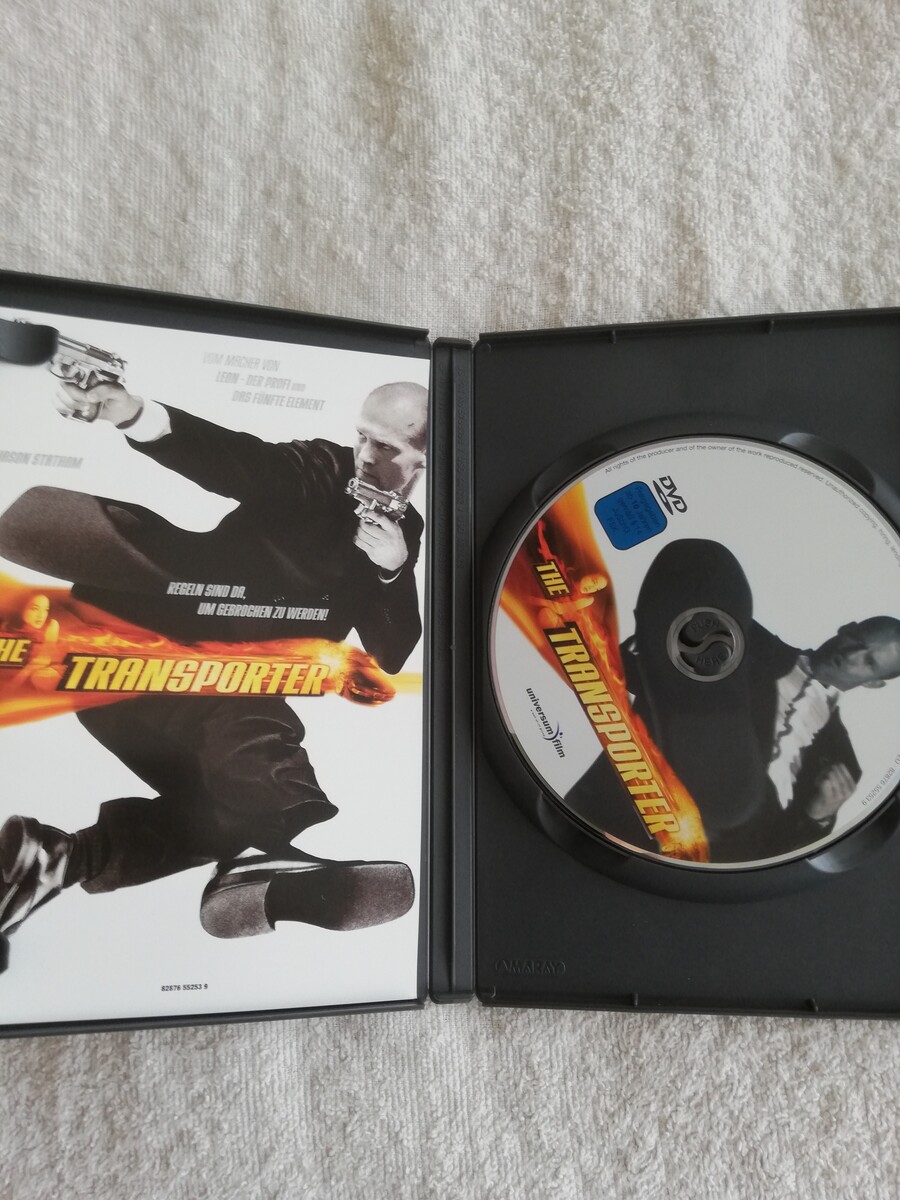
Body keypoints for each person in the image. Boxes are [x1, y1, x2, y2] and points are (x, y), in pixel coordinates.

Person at [0, 375, 428, 940]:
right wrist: (135, 414)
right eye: (361, 436)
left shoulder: (403, 531)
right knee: (258, 743)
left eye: (386, 446)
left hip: (177, 698)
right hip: (141, 637)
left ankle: (56, 859)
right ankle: (268, 856)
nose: (365, 455)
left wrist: (392, 570)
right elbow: (242, 462)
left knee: (226, 810)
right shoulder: (323, 469)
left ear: (425, 460)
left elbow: (392, 652)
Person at [565, 539, 900, 863]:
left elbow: (782, 857)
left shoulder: (843, 762)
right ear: (846, 628)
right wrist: (649, 649)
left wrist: (817, 820)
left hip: (725, 851)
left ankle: (724, 804)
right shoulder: (745, 637)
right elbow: (633, 670)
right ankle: (707, 746)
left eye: (869, 662)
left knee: (740, 814)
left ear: (875, 684)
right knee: (706, 570)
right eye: (857, 640)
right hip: (658, 781)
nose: (852, 656)